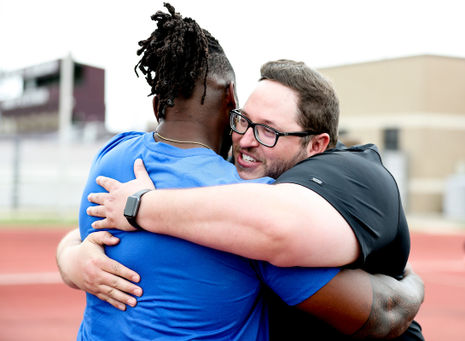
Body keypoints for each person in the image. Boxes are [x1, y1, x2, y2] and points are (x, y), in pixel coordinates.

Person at [58, 3, 423, 340]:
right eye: (243, 121)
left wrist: (112, 225)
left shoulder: (113, 155)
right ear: (231, 99)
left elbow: (100, 219)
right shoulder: (244, 198)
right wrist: (71, 256)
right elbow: (382, 312)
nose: (245, 140)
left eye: (268, 130)